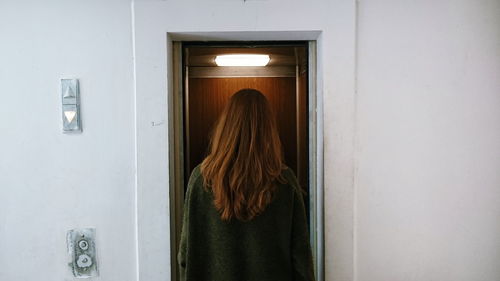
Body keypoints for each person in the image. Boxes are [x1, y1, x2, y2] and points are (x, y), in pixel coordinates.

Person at [178, 88, 315, 281]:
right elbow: (300, 258)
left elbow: (185, 254)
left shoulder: (201, 179)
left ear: (226, 126)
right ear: (268, 129)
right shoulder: (284, 181)